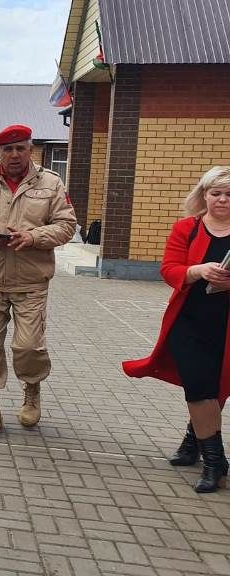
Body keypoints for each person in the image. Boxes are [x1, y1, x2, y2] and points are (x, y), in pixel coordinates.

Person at [0, 124, 76, 438]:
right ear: (0, 152)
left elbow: (67, 225)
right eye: (8, 149)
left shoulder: (51, 183)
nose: (15, 154)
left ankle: (31, 390)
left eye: (21, 148)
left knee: (29, 346)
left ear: (30, 149)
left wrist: (34, 237)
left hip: (31, 281)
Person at [124, 166, 230, 493]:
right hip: (188, 321)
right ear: (204, 195)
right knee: (198, 387)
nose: (223, 200)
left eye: (229, 195)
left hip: (225, 327)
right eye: (216, 193)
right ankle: (216, 462)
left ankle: (193, 441)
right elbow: (169, 270)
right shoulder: (188, 228)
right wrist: (198, 270)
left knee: (215, 389)